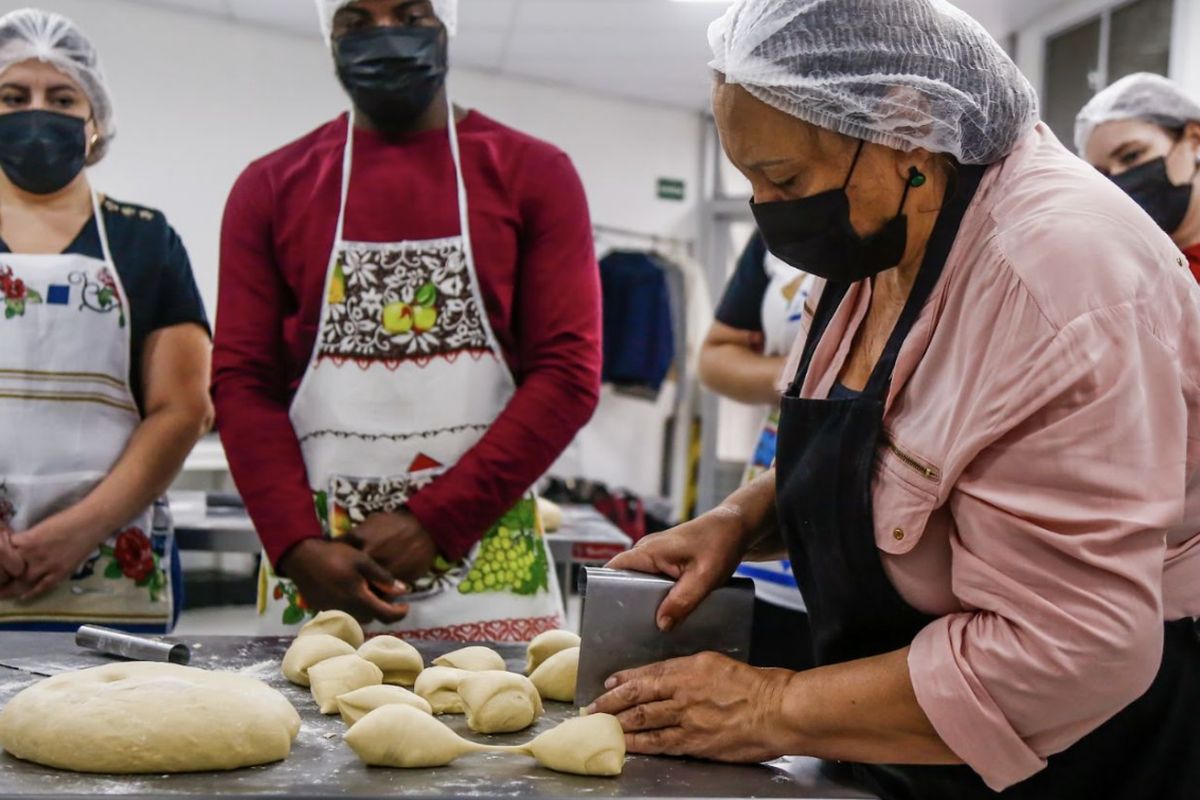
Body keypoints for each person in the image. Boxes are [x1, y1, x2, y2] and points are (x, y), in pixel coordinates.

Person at [590, 2, 1200, 799]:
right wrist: (741, 520)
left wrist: (770, 705)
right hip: (903, 731)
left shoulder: (1059, 281)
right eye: (751, 180)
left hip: (1074, 755)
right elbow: (905, 452)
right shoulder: (892, 226)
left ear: (905, 123)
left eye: (783, 179)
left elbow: (1078, 648)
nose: (768, 211)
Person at [212, 0, 601, 638]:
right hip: (318, 570)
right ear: (328, 36)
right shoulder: (272, 187)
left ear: (447, 23)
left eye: (411, 14)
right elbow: (242, 381)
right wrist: (297, 545)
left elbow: (568, 375)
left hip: (488, 573)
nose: (386, 36)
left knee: (496, 737)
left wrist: (436, 521)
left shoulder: (533, 174)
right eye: (357, 21)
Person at [0, 9, 212, 632]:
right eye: (14, 96)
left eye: (62, 97)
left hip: (109, 566)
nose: (38, 111)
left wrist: (79, 531)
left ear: (94, 123)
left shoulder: (144, 239)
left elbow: (182, 407)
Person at [698, 233, 816, 671]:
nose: (763, 197)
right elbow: (713, 357)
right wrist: (806, 377)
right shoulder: (779, 223)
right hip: (774, 515)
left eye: (782, 177)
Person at [1076, 72, 1200, 281]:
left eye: (1131, 156)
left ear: (1193, 138)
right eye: (1103, 174)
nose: (1118, 180)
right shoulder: (1135, 278)